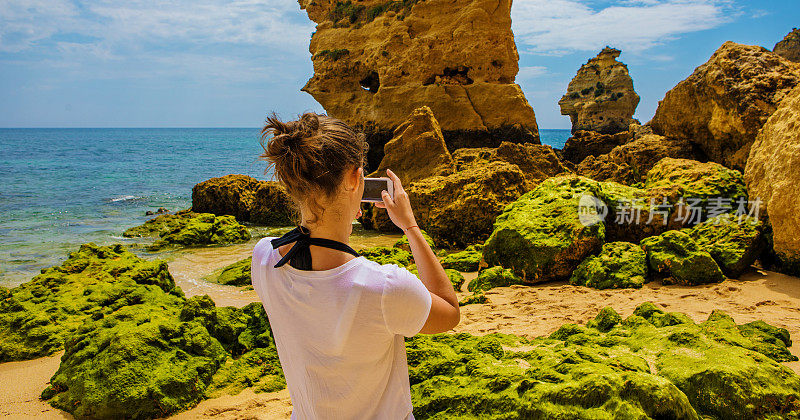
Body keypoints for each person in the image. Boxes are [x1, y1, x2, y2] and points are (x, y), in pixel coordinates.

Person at [250, 112, 460, 419]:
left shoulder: (264, 259)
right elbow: (450, 313)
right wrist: (411, 228)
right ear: (354, 178)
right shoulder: (385, 287)